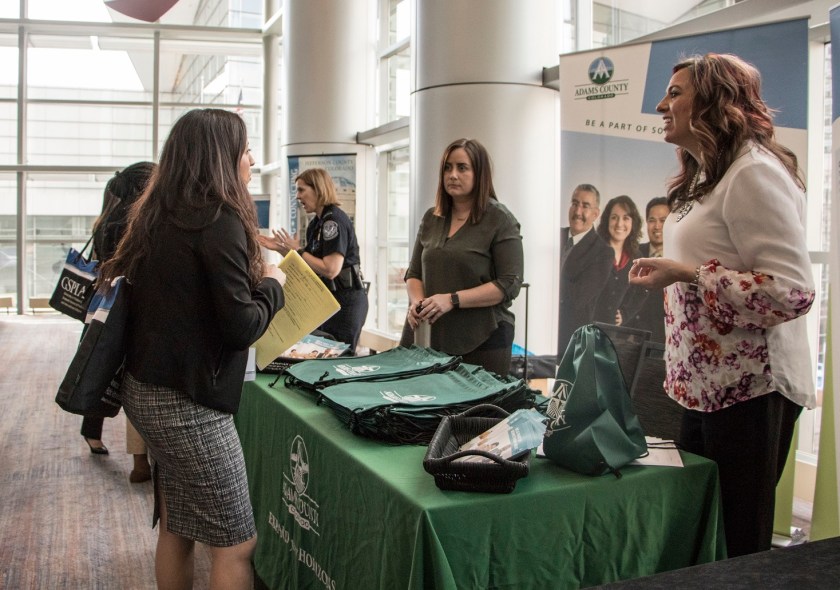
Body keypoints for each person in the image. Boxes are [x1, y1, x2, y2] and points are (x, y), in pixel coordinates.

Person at [628, 53, 815, 557]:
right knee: (704, 534)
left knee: (737, 542)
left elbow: (791, 290)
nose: (661, 104)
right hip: (702, 388)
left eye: (675, 92)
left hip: (750, 392)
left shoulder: (753, 173)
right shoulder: (708, 172)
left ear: (714, 101)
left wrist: (686, 273)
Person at [99, 108, 286, 588]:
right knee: (236, 544)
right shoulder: (218, 220)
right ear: (221, 156)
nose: (250, 159)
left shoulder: (158, 215)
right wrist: (274, 283)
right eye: (245, 149)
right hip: (188, 403)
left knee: (179, 527)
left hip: (147, 390)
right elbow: (242, 325)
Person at [404, 138, 523, 376]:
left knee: (473, 413)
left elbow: (509, 283)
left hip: (483, 339)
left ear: (479, 174)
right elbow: (414, 273)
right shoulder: (431, 218)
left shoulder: (500, 219)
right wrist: (417, 301)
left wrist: (452, 300)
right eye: (447, 168)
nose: (453, 175)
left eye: (462, 167)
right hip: (430, 336)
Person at [80, 161, 155, 483]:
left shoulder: (105, 220)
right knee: (132, 380)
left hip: (103, 306)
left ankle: (92, 433)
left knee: (102, 369)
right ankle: (141, 461)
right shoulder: (137, 221)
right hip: (131, 310)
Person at [258, 168, 368, 352]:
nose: (298, 197)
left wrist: (297, 250)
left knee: (339, 358)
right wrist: (281, 249)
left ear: (318, 189)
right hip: (327, 302)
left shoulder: (333, 221)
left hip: (345, 302)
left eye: (302, 190)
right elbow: (308, 263)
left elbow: (331, 269)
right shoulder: (315, 224)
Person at [558, 184, 613, 356]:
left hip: (571, 341)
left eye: (585, 206)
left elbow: (578, 298)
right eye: (574, 203)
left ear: (595, 214)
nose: (578, 211)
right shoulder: (551, 236)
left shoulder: (603, 252)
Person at [621, 196, 669, 342]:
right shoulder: (633, 253)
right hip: (633, 337)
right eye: (652, 220)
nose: (657, 226)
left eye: (663, 221)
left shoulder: (679, 258)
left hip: (667, 338)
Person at [592, 195, 643, 326]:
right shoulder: (593, 251)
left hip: (617, 334)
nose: (619, 224)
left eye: (626, 218)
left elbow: (642, 292)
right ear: (607, 221)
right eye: (614, 217)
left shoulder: (636, 257)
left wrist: (625, 314)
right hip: (589, 328)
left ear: (633, 223)